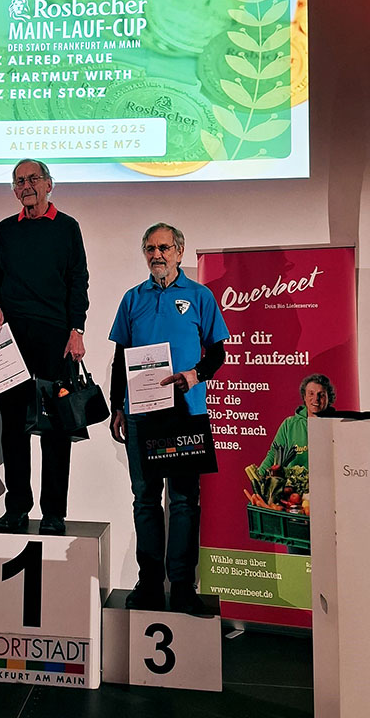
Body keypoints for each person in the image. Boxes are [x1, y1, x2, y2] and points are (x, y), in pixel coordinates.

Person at [109, 223, 229, 613]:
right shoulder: (132, 298)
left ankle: (181, 587)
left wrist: (195, 375)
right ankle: (148, 584)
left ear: (179, 251)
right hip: (141, 414)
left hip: (185, 413)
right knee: (145, 500)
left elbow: (218, 353)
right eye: (149, 248)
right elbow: (120, 358)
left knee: (184, 501)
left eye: (163, 247)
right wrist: (116, 406)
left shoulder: (200, 296)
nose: (156, 254)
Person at [0, 159, 89, 536]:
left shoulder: (67, 227)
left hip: (55, 341)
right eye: (18, 181)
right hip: (12, 343)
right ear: (14, 190)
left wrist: (77, 329)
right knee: (13, 428)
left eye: (32, 179)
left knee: (56, 428)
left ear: (48, 184)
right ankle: (17, 508)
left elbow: (78, 281)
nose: (25, 186)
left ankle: (54, 512)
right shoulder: (6, 229)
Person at [258, 373, 336, 476]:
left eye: (321, 395)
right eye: (311, 394)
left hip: (327, 482)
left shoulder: (337, 424)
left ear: (328, 398)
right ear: (304, 397)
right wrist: (259, 477)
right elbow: (274, 454)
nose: (316, 399)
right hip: (294, 485)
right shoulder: (289, 425)